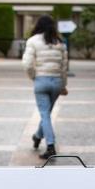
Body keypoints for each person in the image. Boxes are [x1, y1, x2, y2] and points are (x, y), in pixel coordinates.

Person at [22, 15, 68, 160]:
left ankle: (50, 146)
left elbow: (27, 64)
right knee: (46, 113)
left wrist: (33, 76)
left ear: (38, 26)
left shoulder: (33, 41)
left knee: (45, 114)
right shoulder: (60, 43)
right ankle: (37, 136)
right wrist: (63, 85)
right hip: (56, 82)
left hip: (41, 81)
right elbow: (64, 67)